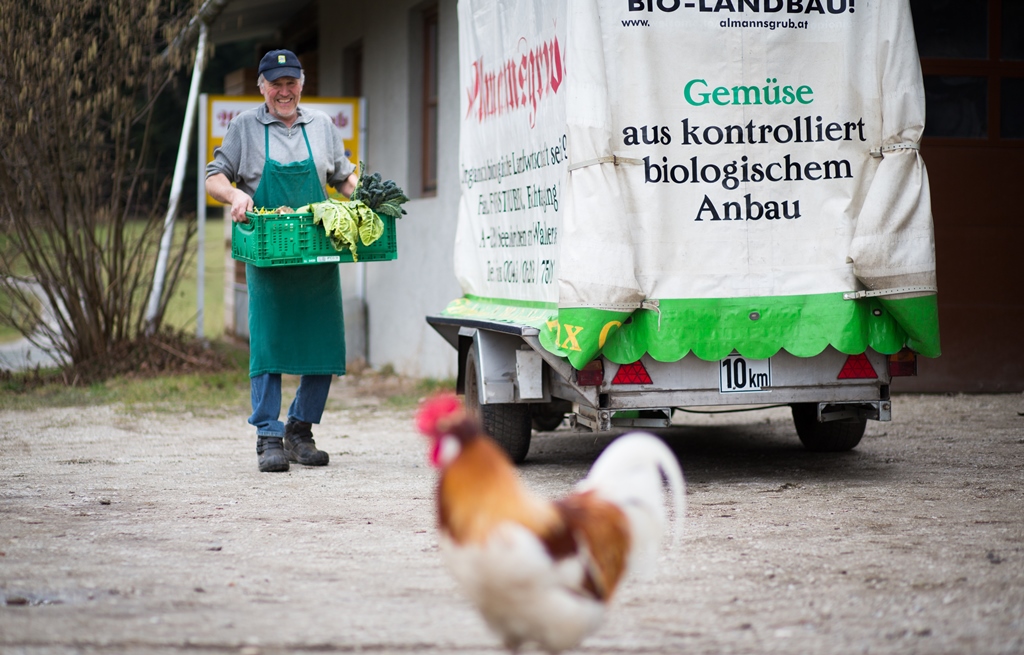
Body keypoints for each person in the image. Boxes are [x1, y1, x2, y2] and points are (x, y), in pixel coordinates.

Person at [205, 49, 358, 473]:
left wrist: (365, 197)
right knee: (268, 343)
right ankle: (268, 435)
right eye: (276, 84)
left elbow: (342, 176)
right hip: (270, 255)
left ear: (302, 83)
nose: (284, 91)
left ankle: (300, 430)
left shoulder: (323, 126)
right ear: (262, 87)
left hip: (317, 253)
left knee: (324, 342)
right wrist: (236, 194)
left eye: (291, 82)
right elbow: (214, 175)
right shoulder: (244, 127)